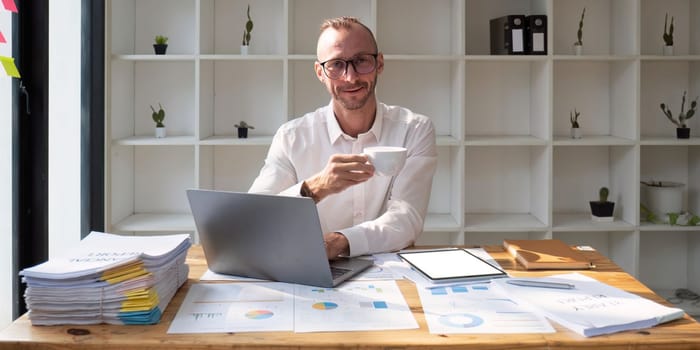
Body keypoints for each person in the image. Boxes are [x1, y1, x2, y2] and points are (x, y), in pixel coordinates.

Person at [249, 16, 437, 259]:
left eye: (361, 61)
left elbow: (407, 216)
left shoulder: (415, 129)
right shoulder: (291, 137)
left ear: (379, 63)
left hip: (387, 268)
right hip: (308, 266)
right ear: (320, 72)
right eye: (336, 65)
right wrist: (314, 188)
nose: (350, 77)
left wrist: (340, 242)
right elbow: (255, 217)